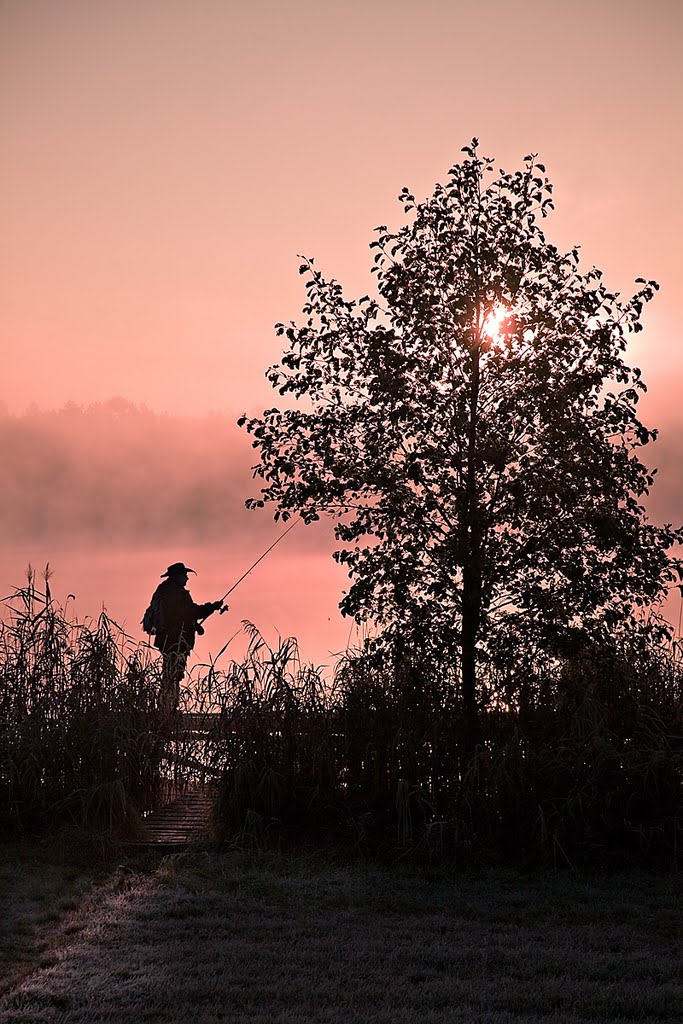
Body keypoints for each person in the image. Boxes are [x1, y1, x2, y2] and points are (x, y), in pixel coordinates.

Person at [142, 562, 224, 715]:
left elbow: (181, 616)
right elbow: (190, 612)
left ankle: (168, 707)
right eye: (184, 575)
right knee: (173, 674)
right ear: (177, 577)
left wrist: (197, 625)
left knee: (171, 672)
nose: (187, 578)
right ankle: (168, 709)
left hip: (168, 640)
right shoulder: (175, 593)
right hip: (175, 641)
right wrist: (211, 607)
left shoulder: (165, 590)